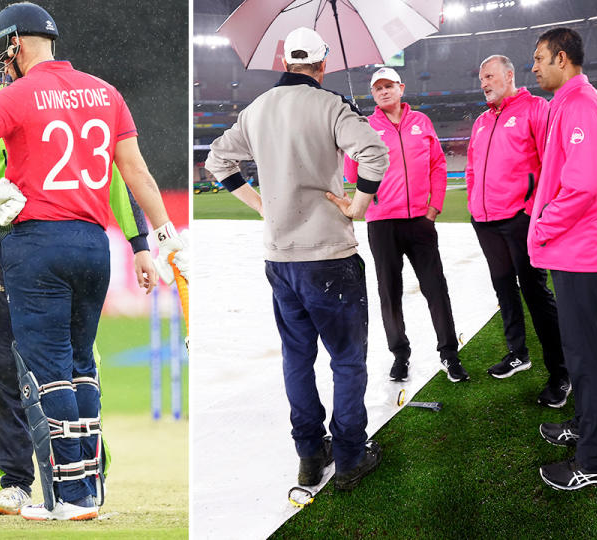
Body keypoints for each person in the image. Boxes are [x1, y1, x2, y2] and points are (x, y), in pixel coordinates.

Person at [0, 3, 188, 521]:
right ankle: (90, 489)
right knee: (81, 368)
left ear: (15, 45)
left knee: (44, 371)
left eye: (2, 52)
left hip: (36, 244)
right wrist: (163, 237)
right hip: (94, 245)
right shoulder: (105, 92)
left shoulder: (16, 95)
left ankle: (68, 496)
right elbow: (134, 172)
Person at [206, 27, 389, 493]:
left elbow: (218, 162)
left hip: (281, 257)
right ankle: (349, 457)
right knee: (347, 361)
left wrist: (260, 204)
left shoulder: (256, 110)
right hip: (329, 253)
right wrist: (359, 206)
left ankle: (310, 454)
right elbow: (375, 152)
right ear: (323, 64)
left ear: (284, 61)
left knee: (297, 359)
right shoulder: (330, 105)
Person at [529, 27, 597, 490]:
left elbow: (581, 186)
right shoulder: (568, 104)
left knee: (586, 358)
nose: (535, 67)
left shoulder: (580, 104)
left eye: (540, 58)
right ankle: (584, 432)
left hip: (579, 249)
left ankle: (595, 462)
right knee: (579, 352)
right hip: (574, 248)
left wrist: (542, 226)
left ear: (562, 59)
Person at [344, 67, 470, 384]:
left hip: (420, 221)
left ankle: (449, 353)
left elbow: (438, 165)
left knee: (435, 288)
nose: (384, 91)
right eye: (378, 88)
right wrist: (352, 141)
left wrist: (434, 206)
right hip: (383, 222)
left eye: (389, 86)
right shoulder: (366, 126)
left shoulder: (422, 123)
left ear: (401, 88)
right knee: (390, 292)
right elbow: (351, 176)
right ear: (372, 95)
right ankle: (400, 355)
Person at [466, 55, 569, 406]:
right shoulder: (481, 121)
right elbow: (471, 167)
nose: (484, 83)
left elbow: (552, 161)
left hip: (520, 219)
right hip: (485, 221)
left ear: (509, 75)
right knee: (503, 290)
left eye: (490, 76)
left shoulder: (535, 108)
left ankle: (560, 372)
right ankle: (517, 353)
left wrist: (532, 210)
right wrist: (473, 207)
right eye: (481, 79)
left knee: (535, 293)